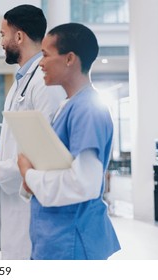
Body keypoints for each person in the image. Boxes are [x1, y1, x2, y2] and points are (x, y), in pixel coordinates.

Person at [0, 5, 66, 259]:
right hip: (16, 205)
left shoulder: (45, 82)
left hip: (33, 208)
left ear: (18, 37)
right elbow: (14, 145)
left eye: (2, 34)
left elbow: (44, 153)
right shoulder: (21, 81)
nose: (1, 42)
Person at [17, 23, 121, 259]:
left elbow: (84, 184)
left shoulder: (88, 109)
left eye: (45, 55)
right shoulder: (69, 105)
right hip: (57, 238)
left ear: (70, 59)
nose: (40, 63)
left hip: (72, 241)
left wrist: (29, 174)